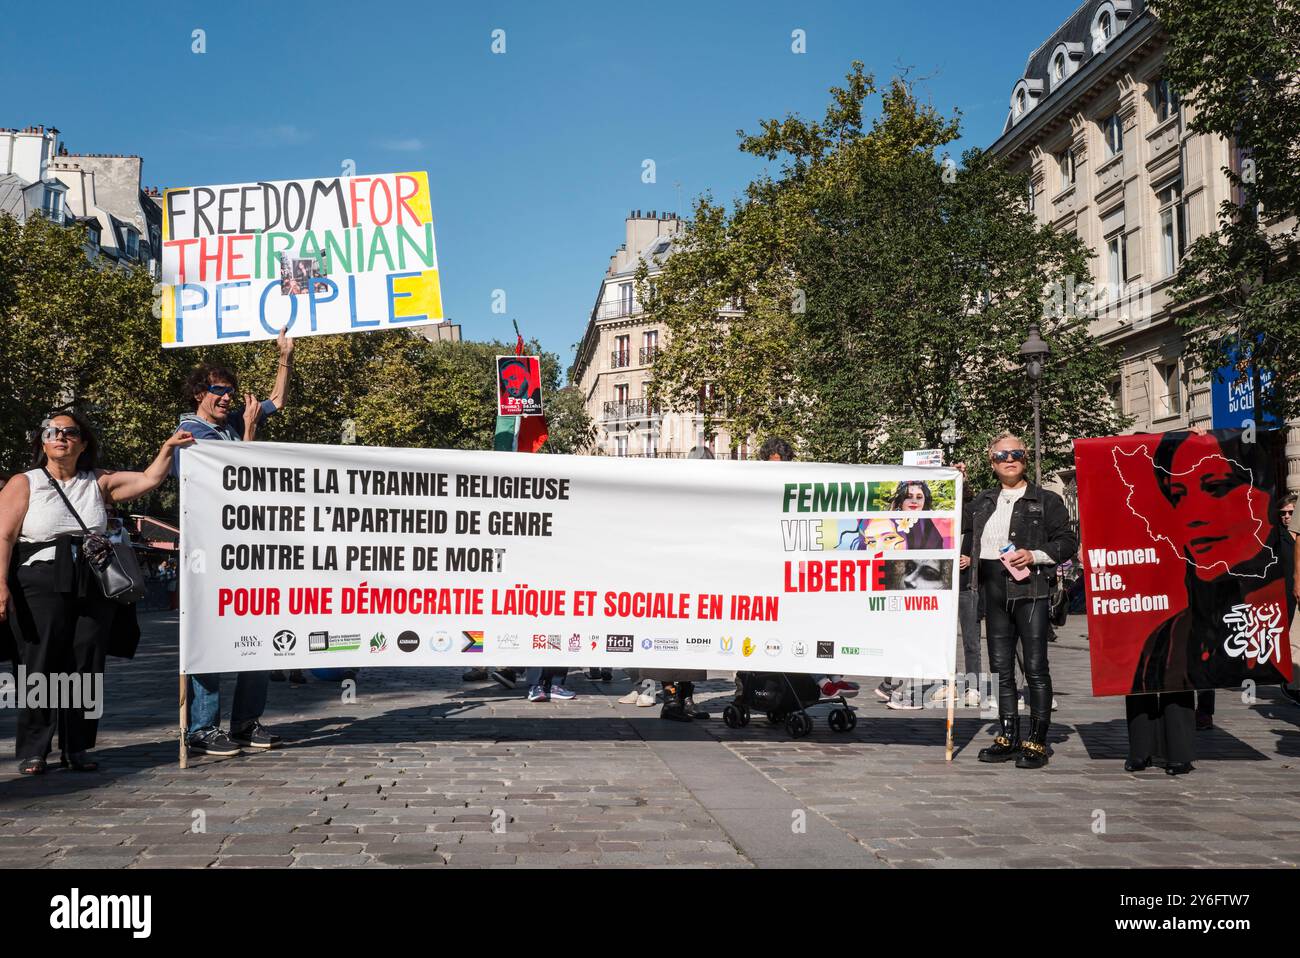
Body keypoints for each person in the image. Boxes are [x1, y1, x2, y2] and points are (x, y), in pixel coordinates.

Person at [0, 410, 193, 774]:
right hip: (40, 580)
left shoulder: (98, 481)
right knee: (40, 664)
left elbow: (152, 477)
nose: (60, 437)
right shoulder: (24, 483)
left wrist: (168, 447)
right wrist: (0, 584)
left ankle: (77, 747)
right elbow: (4, 536)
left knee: (85, 665)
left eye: (69, 432)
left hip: (93, 580)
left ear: (82, 442)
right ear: (43, 441)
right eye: (51, 431)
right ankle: (36, 749)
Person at [177, 327, 295, 757]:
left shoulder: (229, 424)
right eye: (218, 391)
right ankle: (203, 728)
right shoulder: (192, 434)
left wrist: (284, 356)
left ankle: (245, 722)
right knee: (210, 638)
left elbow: (276, 402)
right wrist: (248, 432)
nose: (227, 398)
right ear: (198, 394)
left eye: (230, 392)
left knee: (257, 634)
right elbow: (234, 482)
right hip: (210, 552)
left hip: (246, 551)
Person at [1129, 430, 1293, 694]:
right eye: (1179, 495)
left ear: (1264, 493)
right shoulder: (1168, 640)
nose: (1191, 515)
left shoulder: (1282, 593)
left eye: (1216, 487)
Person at [963, 431, 1077, 768]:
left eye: (1017, 454)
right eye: (1002, 455)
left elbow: (1067, 542)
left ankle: (1037, 739)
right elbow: (955, 519)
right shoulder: (983, 501)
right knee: (1000, 669)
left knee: (1035, 666)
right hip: (992, 590)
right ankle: (1008, 734)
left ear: (1025, 459)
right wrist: (957, 482)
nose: (1009, 460)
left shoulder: (1045, 500)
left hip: (1031, 590)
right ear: (991, 460)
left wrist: (1036, 554)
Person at [757, 437, 857, 700]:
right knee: (787, 635)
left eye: (782, 464)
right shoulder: (756, 489)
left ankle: (833, 676)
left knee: (815, 626)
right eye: (772, 465)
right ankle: (821, 680)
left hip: (799, 573)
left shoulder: (801, 487)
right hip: (768, 574)